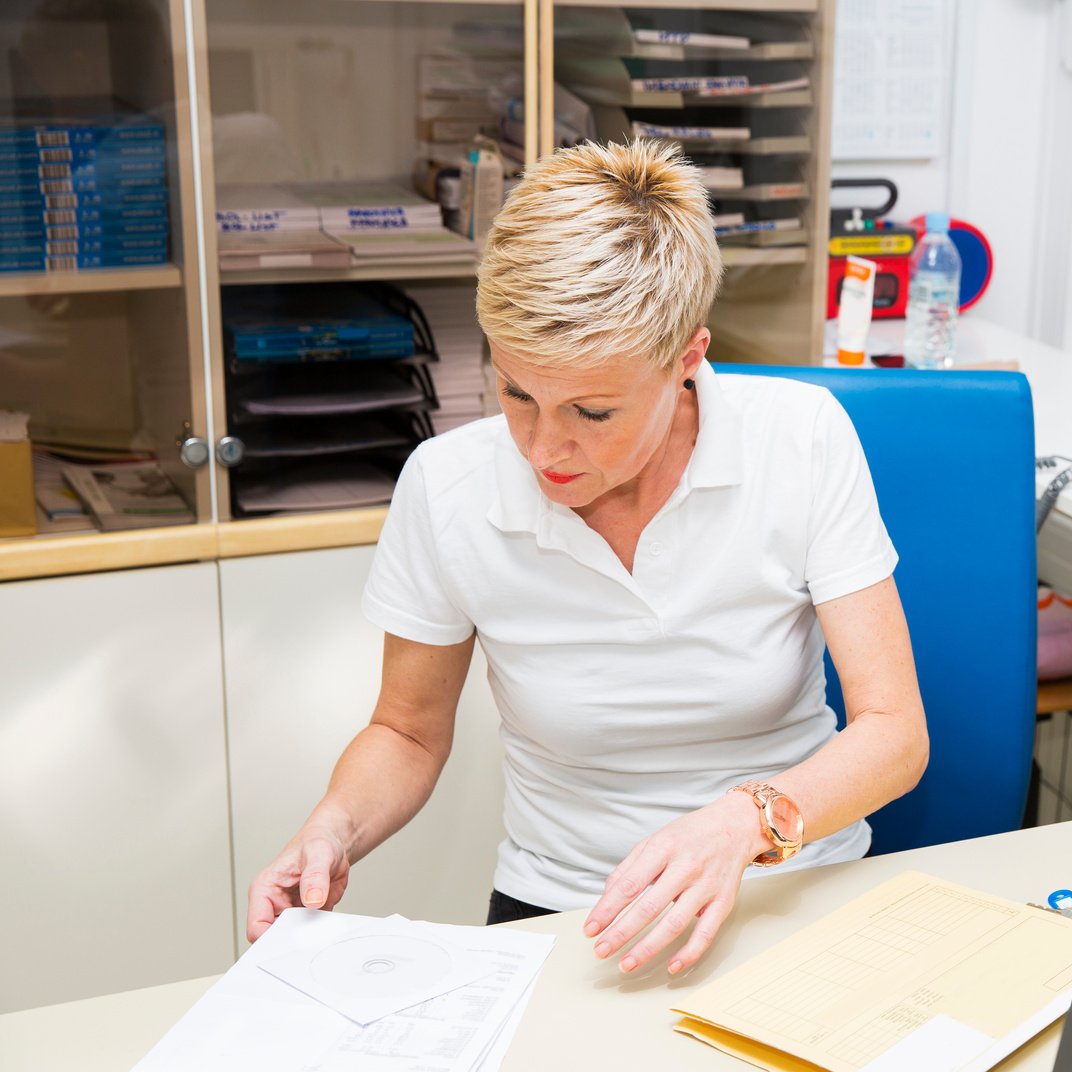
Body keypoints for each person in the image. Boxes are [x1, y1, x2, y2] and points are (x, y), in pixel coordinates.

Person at [246, 140, 929, 977]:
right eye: (516, 394)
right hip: (570, 912)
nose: (542, 447)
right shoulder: (448, 486)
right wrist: (332, 826)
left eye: (593, 411)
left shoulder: (801, 437)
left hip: (788, 881)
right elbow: (407, 731)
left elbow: (895, 734)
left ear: (687, 360)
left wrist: (740, 825)